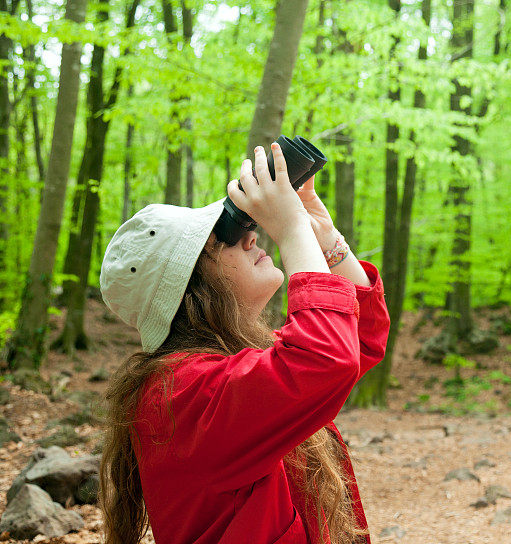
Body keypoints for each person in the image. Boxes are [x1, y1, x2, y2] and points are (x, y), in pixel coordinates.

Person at [98, 142, 390, 544]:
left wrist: (324, 238)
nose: (250, 239)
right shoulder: (184, 394)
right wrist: (290, 232)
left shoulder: (225, 367)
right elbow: (327, 358)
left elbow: (357, 340)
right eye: (222, 240)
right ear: (188, 292)